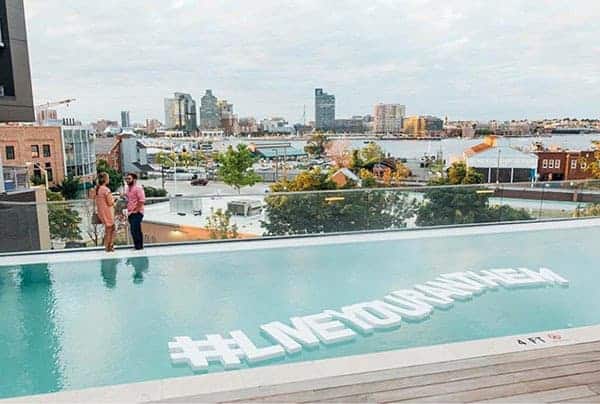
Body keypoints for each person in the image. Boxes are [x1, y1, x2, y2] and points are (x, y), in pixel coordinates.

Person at [94, 172, 115, 252]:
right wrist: (114, 200)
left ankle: (108, 246)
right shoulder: (106, 190)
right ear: (105, 179)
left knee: (109, 229)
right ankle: (109, 247)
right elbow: (110, 202)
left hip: (101, 212)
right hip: (107, 212)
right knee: (110, 229)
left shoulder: (98, 189)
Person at [124, 173, 146, 250]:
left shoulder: (138, 188)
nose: (127, 180)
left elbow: (142, 200)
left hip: (137, 213)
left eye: (129, 179)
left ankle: (138, 247)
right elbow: (128, 198)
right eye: (126, 179)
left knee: (135, 230)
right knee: (135, 230)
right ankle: (138, 247)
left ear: (134, 179)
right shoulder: (128, 189)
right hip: (130, 213)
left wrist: (136, 210)